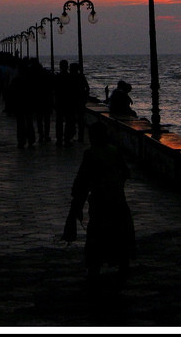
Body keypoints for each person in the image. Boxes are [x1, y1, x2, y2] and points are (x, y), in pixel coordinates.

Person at [63, 121, 135, 288]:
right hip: (117, 199)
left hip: (101, 201)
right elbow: (125, 173)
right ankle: (122, 264)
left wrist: (77, 204)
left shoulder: (91, 154)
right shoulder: (114, 151)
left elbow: (82, 181)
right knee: (119, 233)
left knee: (96, 234)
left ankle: (94, 267)